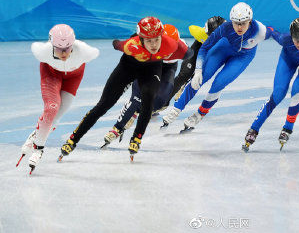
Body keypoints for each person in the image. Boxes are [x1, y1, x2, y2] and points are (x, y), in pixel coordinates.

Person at [58, 17, 192, 161]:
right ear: (140, 39)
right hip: (128, 67)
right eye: (148, 40)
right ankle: (73, 139)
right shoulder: (131, 45)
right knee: (103, 105)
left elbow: (189, 54)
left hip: (152, 68)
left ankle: (136, 138)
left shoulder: (172, 45)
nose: (153, 44)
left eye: (156, 40)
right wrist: (117, 43)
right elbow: (116, 44)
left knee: (149, 100)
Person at [104, 17, 226, 144]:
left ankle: (141, 110)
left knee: (163, 101)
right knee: (138, 96)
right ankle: (120, 125)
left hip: (170, 67)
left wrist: (188, 79)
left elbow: (191, 64)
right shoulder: (151, 45)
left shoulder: (183, 48)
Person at [162, 2, 272, 132]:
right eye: (236, 23)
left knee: (219, 83)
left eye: (243, 23)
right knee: (200, 78)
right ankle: (176, 109)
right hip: (224, 49)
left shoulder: (260, 30)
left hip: (243, 57)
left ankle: (199, 114)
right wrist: (197, 70)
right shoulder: (225, 28)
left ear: (250, 21)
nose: (239, 27)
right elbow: (204, 48)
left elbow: (279, 37)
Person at [242, 17, 299, 152]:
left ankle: (288, 127)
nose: (298, 43)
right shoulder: (285, 39)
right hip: (288, 59)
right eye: (295, 39)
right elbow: (272, 31)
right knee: (278, 93)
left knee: (297, 89)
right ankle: (254, 129)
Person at [16, 24, 99, 173]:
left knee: (57, 116)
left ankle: (35, 135)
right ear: (52, 45)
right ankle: (39, 149)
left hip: (73, 78)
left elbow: (96, 52)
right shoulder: (43, 51)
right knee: (52, 107)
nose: (64, 53)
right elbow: (34, 46)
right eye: (59, 48)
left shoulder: (84, 50)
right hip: (51, 74)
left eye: (67, 48)